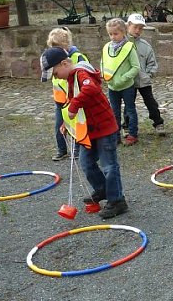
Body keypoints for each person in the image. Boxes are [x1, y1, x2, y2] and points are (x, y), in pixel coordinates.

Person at [41, 46, 128, 219]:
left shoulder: (81, 74)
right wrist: (67, 123)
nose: (56, 78)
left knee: (109, 166)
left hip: (104, 128)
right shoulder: (71, 79)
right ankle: (103, 189)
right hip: (88, 130)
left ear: (64, 63)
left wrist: (74, 106)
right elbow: (73, 102)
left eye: (56, 73)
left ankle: (117, 200)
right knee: (86, 163)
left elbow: (91, 90)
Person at [44, 28, 88, 161]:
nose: (55, 50)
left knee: (77, 124)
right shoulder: (52, 59)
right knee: (59, 126)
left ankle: (78, 149)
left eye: (58, 47)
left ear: (67, 44)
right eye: (52, 47)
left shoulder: (77, 57)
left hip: (74, 99)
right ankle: (61, 150)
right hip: (60, 100)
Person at [102, 18, 140, 146]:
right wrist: (103, 74)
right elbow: (104, 62)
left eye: (115, 34)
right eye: (110, 34)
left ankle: (133, 135)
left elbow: (136, 67)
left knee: (130, 111)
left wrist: (123, 78)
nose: (113, 37)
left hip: (127, 86)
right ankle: (115, 135)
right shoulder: (107, 47)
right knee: (114, 112)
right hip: (112, 87)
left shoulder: (129, 47)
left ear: (123, 32)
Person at [125, 14, 165, 136]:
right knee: (128, 104)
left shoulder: (145, 46)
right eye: (135, 27)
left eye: (140, 28)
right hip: (128, 81)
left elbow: (152, 62)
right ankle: (126, 126)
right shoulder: (121, 44)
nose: (138, 30)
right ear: (128, 26)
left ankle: (158, 123)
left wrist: (148, 75)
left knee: (151, 102)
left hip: (143, 80)